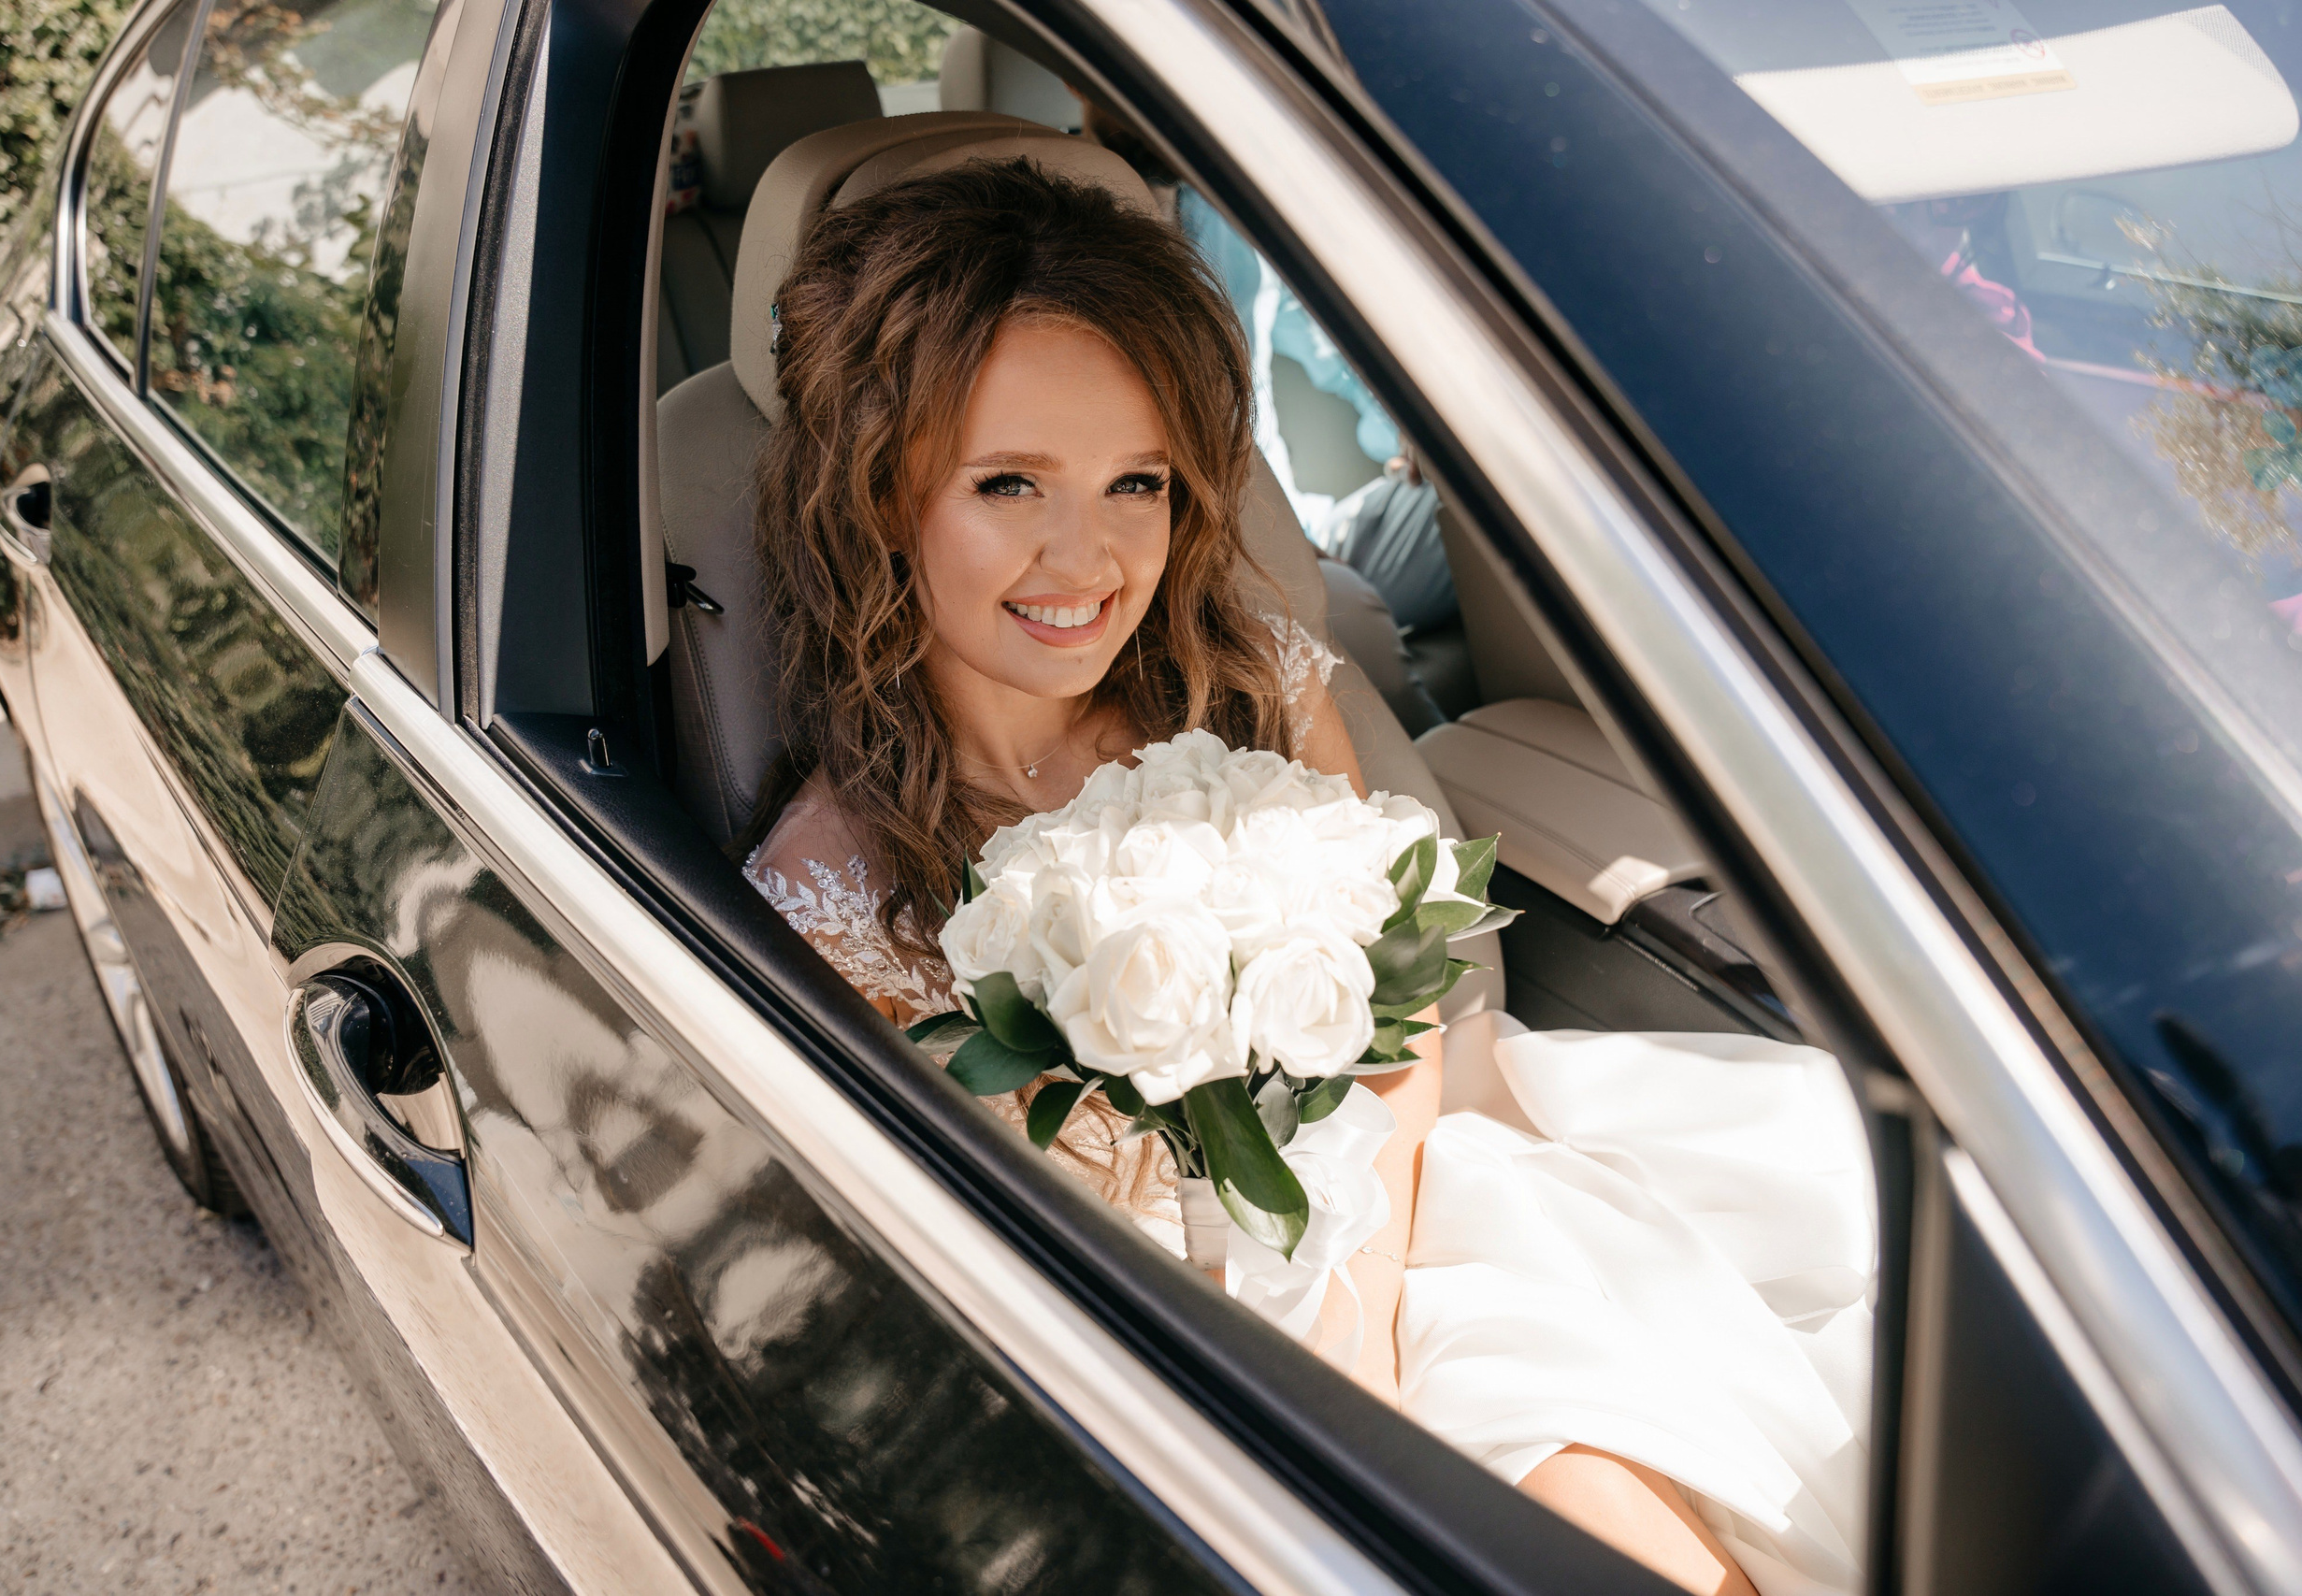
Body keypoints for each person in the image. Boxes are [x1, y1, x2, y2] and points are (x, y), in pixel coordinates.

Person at [741, 155, 1864, 1596]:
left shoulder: (1249, 688)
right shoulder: (836, 890)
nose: (1087, 556)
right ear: (882, 494)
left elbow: (1389, 1031)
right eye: (1008, 482)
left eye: (1136, 482)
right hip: (1165, 1348)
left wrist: (1361, 1332)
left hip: (1426, 1210)